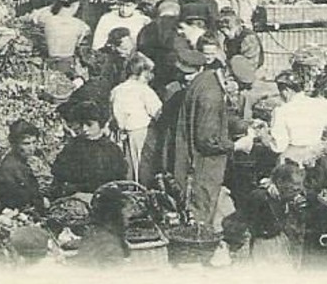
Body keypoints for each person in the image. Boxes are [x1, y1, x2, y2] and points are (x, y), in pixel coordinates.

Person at [168, 34, 233, 230]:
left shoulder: (202, 89)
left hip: (193, 163)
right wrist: (236, 145)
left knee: (198, 210)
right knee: (201, 212)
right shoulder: (208, 90)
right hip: (203, 165)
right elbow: (207, 141)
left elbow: (207, 135)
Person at [51, 101, 127, 198]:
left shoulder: (111, 149)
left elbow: (119, 177)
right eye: (80, 125)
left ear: (101, 124)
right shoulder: (73, 147)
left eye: (89, 124)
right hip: (75, 195)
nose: (84, 129)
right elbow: (59, 172)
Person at [108, 54, 164, 183]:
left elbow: (113, 112)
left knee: (128, 165)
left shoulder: (117, 90)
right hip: (142, 131)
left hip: (122, 132)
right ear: (140, 73)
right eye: (147, 74)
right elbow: (158, 111)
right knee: (143, 165)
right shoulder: (143, 90)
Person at [268, 67, 327, 166]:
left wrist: (265, 138)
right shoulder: (322, 104)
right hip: (318, 159)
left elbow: (279, 146)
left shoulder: (281, 111)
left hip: (295, 161)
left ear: (286, 90)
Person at [0, 119, 48, 212]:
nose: (32, 148)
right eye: (26, 144)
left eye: (34, 142)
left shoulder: (19, 162)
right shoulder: (12, 167)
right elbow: (22, 199)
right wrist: (42, 202)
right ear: (14, 144)